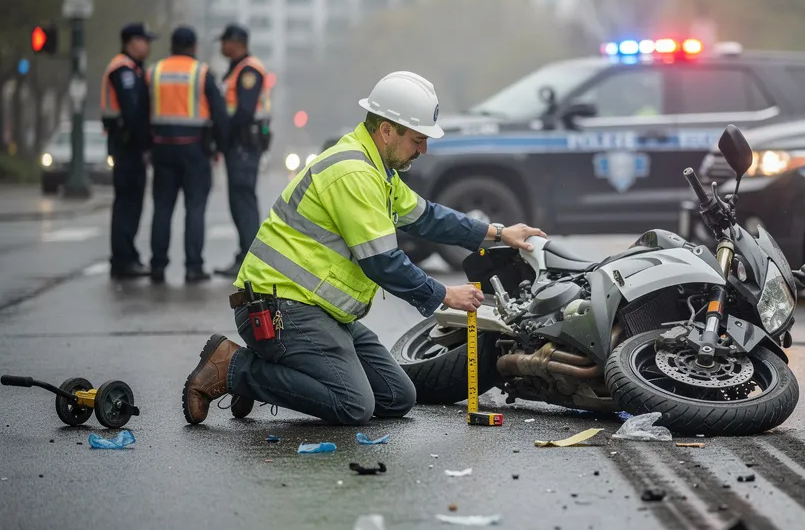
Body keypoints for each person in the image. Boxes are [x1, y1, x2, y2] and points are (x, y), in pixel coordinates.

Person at [180, 71, 548, 426]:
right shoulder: (353, 173)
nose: (423, 149)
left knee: (397, 396)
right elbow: (382, 262)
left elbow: (428, 218)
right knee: (354, 404)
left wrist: (499, 233)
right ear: (386, 130)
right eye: (417, 139)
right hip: (280, 310)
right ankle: (235, 368)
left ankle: (271, 375)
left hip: (319, 312)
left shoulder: (378, 171)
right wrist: (445, 295)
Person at [147, 26, 229, 285]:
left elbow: (140, 110)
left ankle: (157, 266)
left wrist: (147, 146)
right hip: (195, 151)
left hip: (161, 148)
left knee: (162, 209)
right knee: (194, 209)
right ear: (193, 47)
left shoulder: (154, 72)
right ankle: (193, 267)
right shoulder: (202, 73)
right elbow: (220, 115)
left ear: (171, 46)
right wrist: (219, 148)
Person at [213, 23, 273, 278]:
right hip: (240, 145)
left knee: (243, 200)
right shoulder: (237, 69)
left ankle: (249, 258)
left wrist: (223, 137)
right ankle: (244, 255)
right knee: (238, 200)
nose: (221, 47)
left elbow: (244, 112)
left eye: (224, 41)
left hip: (244, 144)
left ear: (236, 43)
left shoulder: (248, 70)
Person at [100, 22, 156, 279]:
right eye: (145, 40)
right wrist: (146, 145)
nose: (149, 45)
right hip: (127, 146)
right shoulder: (122, 71)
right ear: (132, 42)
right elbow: (132, 112)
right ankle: (123, 260)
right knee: (127, 204)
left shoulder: (132, 69)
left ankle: (128, 256)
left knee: (132, 204)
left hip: (128, 146)